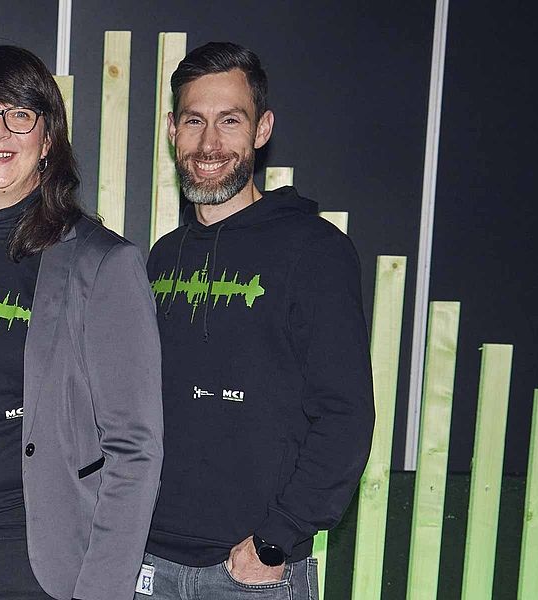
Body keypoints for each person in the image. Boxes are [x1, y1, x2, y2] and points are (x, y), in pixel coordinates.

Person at [0, 45, 163, 600]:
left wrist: (100, 590)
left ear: (47, 140)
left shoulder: (103, 265)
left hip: (33, 558)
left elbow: (135, 448)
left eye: (19, 115)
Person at [140, 42, 373, 600]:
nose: (209, 143)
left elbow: (345, 415)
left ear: (262, 129)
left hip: (248, 575)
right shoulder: (161, 257)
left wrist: (274, 541)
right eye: (194, 120)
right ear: (173, 130)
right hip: (147, 562)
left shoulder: (315, 251)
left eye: (230, 121)